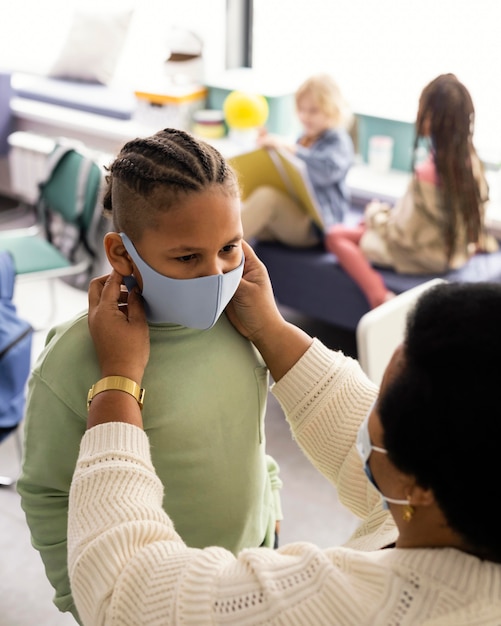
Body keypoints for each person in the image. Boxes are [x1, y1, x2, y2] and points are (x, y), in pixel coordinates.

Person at [68, 242, 501, 625]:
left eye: (380, 403)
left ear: (419, 484)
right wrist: (270, 330)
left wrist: (118, 379)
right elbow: (353, 421)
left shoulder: (336, 606)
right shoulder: (467, 493)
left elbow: (123, 595)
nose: (367, 408)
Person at [17, 129, 283, 623]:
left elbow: (250, 429)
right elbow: (48, 495)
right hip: (152, 602)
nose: (217, 274)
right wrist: (87, 598)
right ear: (121, 254)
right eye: (187, 257)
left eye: (230, 247)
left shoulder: (243, 321)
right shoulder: (75, 360)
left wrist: (270, 500)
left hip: (251, 566)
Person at [325, 73, 499, 309]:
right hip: (456, 249)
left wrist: (375, 214)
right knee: (364, 227)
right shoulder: (471, 161)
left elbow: (402, 236)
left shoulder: (427, 173)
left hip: (424, 255)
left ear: (430, 118)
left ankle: (378, 295)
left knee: (336, 235)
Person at [240, 73, 354, 247]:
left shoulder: (338, 141)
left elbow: (325, 172)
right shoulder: (304, 137)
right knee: (242, 210)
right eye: (301, 110)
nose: (305, 116)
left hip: (316, 226)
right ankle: (217, 251)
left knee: (267, 198)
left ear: (332, 110)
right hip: (295, 213)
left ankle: (215, 255)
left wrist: (288, 148)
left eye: (313, 111)